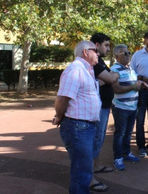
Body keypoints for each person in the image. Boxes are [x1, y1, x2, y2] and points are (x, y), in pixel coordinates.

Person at [52, 41, 102, 194]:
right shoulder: (75, 70)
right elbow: (62, 99)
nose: (98, 53)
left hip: (85, 126)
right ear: (85, 52)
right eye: (95, 50)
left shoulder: (87, 70)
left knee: (83, 168)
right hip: (77, 127)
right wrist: (59, 117)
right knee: (82, 170)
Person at [89, 33, 119, 192]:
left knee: (98, 139)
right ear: (96, 45)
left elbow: (111, 78)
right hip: (98, 107)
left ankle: (97, 165)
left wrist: (113, 76)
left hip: (104, 106)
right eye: (106, 45)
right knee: (95, 140)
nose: (108, 48)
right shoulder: (95, 62)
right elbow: (111, 78)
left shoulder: (99, 61)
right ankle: (90, 178)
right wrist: (113, 76)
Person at [111, 44, 148, 170]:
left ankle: (126, 153)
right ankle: (117, 158)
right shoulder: (114, 70)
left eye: (129, 53)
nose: (129, 55)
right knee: (120, 134)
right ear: (116, 56)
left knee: (128, 133)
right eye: (125, 53)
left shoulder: (130, 69)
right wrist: (133, 87)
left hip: (133, 107)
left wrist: (140, 83)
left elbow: (133, 82)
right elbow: (116, 89)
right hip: (121, 107)